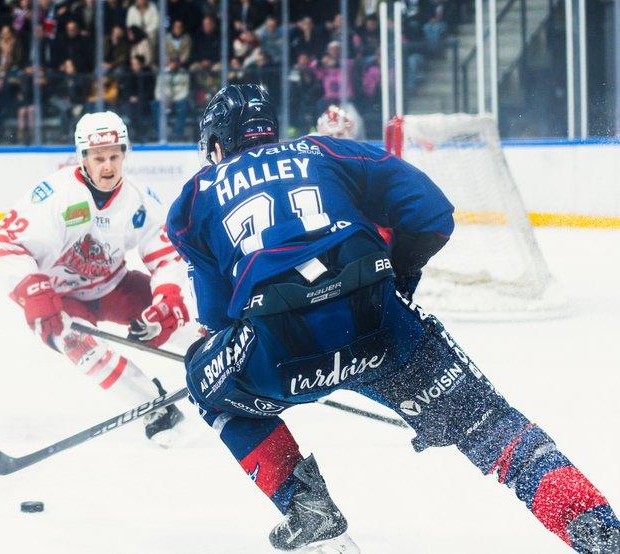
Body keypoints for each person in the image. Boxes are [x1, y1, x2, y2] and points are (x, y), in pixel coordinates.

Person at [166, 84, 619, 553]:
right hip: (382, 327)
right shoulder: (326, 150)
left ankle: (305, 506)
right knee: (490, 426)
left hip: (283, 354)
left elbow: (218, 318)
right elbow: (433, 214)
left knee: (207, 385)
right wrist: (398, 280)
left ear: (216, 143)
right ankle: (595, 526)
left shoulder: (194, 199)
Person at [0, 111, 190, 445]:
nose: (108, 166)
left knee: (176, 318)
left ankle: (231, 366)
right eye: (99, 158)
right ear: (83, 158)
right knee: (74, 341)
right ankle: (154, 408)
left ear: (124, 154)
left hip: (113, 286)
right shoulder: (54, 196)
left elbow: (166, 256)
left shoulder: (139, 200)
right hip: (62, 299)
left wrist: (167, 297)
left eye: (114, 157)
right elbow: (7, 245)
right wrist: (32, 291)